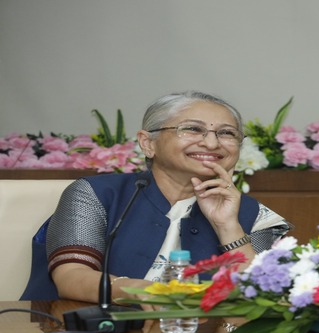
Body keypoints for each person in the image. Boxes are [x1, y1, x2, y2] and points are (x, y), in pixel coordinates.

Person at [21, 91, 291, 302]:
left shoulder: (253, 214)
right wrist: (144, 292)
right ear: (148, 143)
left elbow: (259, 294)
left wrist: (227, 226)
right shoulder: (96, 194)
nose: (211, 143)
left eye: (227, 133)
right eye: (193, 129)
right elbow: (71, 277)